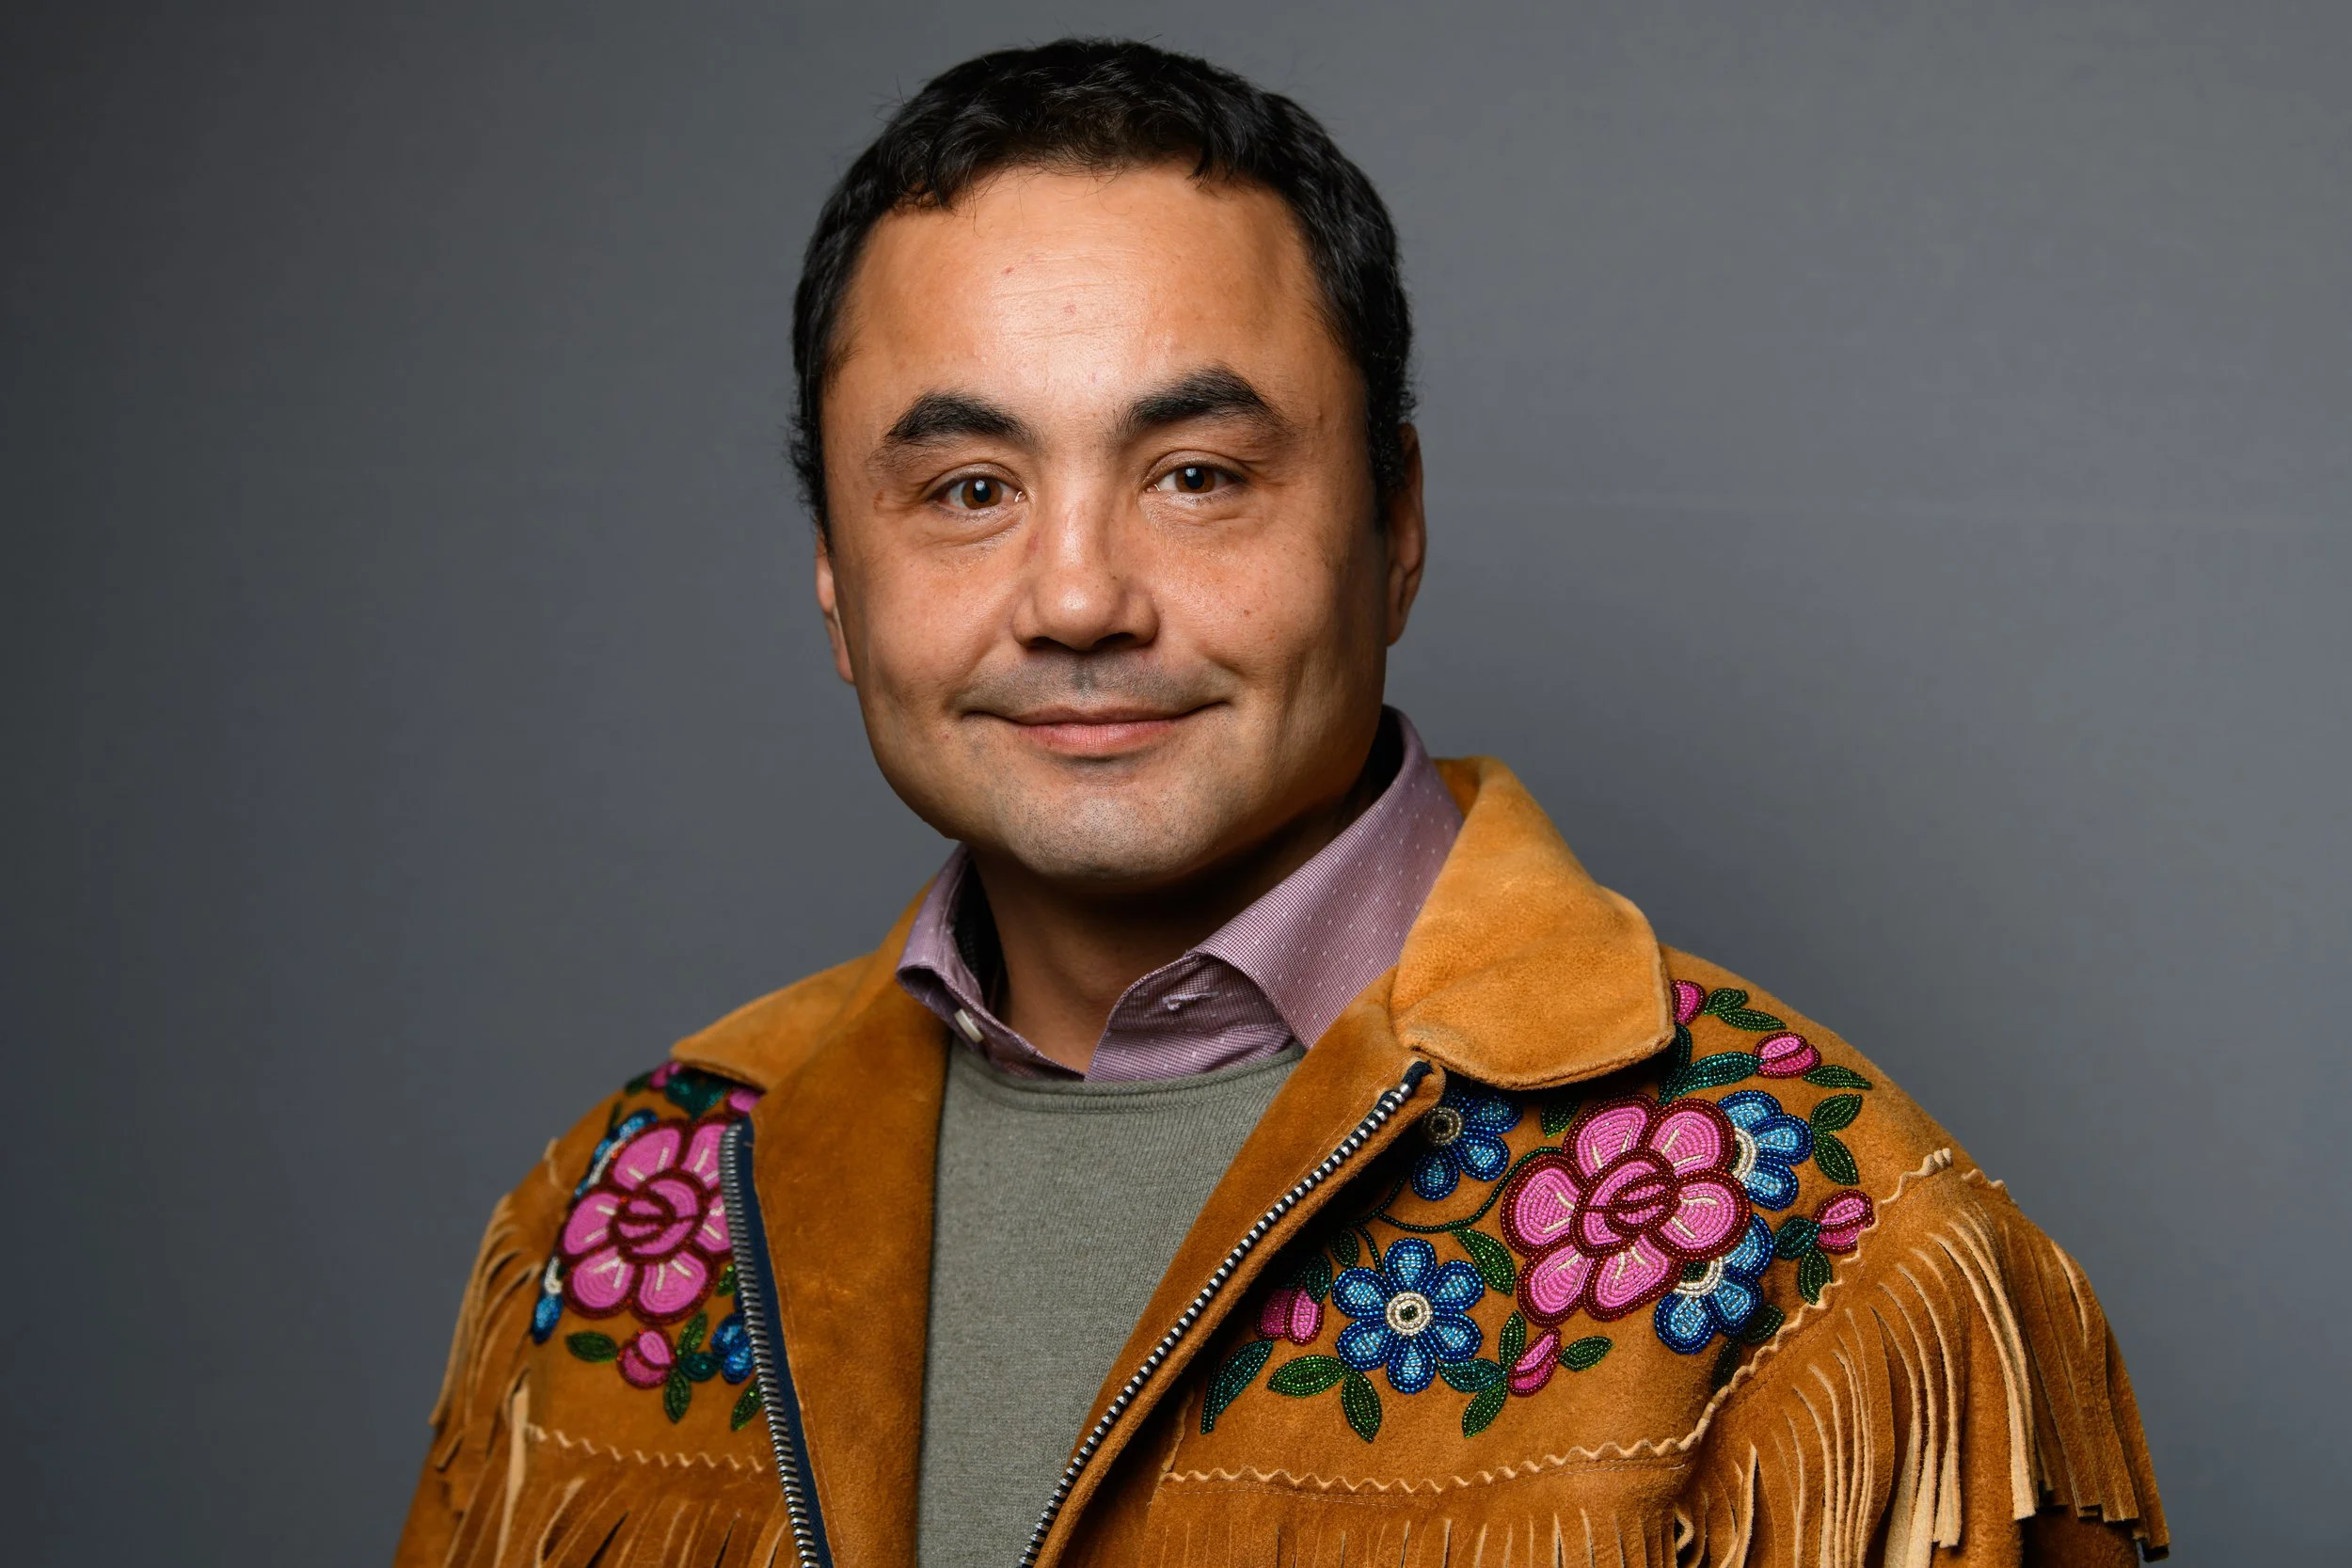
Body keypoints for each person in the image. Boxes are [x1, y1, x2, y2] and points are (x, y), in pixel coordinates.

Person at [394, 38, 2166, 1568]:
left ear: (1393, 527)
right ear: (837, 586)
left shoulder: (1824, 1252)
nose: (1078, 596)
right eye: (967, 486)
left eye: (1197, 475)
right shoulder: (631, 1208)